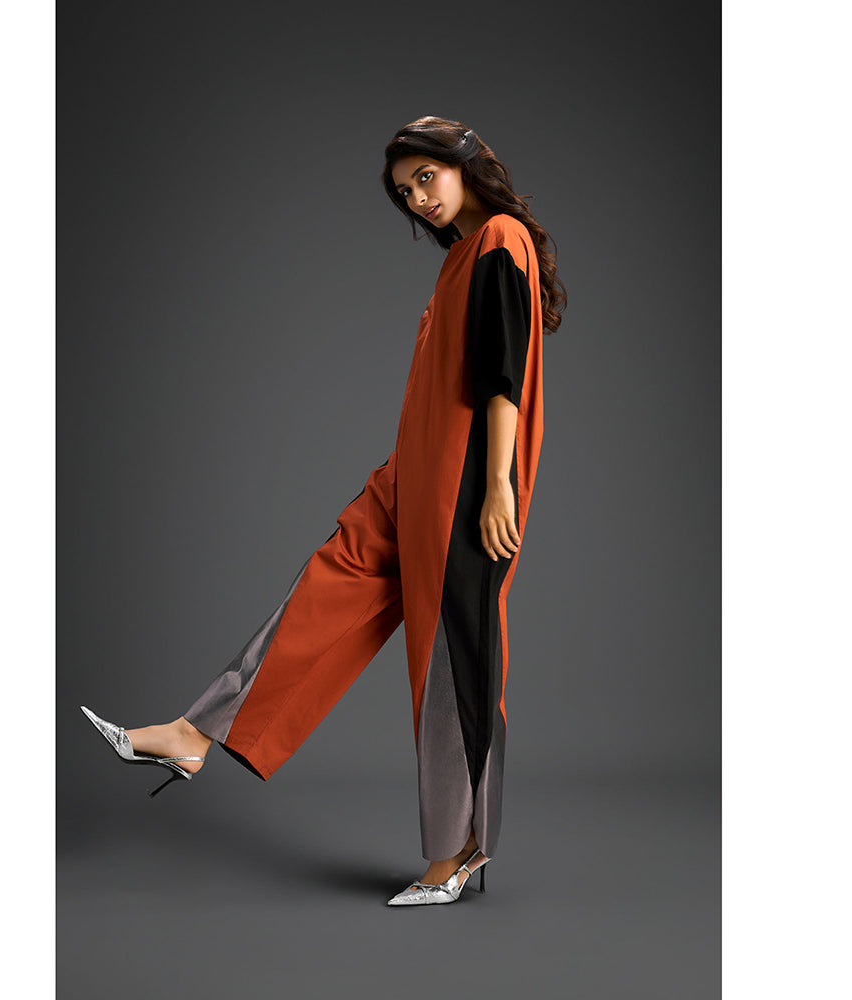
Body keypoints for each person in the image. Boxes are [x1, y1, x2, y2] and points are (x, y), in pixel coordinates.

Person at [81, 115, 567, 906]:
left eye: (427, 178)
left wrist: (498, 486)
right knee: (323, 595)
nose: (418, 199)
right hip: (410, 480)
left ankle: (458, 851)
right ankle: (193, 735)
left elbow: (500, 377)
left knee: (452, 665)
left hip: (463, 491)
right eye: (404, 191)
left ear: (465, 166)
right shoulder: (457, 261)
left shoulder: (500, 240)